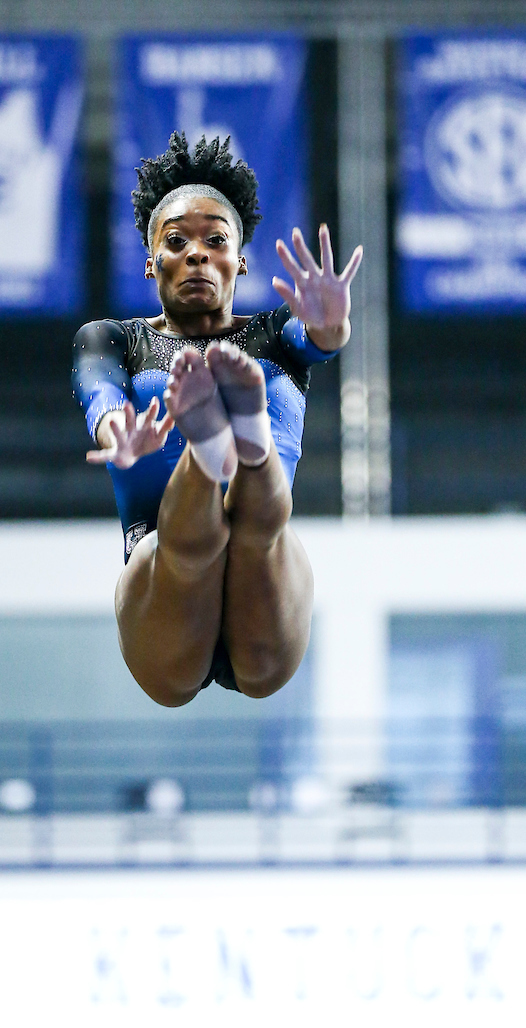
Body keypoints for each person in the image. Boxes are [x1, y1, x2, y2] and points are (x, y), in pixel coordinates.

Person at [73, 131, 362, 707]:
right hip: (160, 564)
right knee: (181, 552)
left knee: (256, 534)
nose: (197, 254)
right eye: (177, 241)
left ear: (240, 260)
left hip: (265, 558)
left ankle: (236, 444)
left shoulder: (277, 333)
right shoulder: (112, 339)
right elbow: (97, 388)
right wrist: (116, 430)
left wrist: (332, 322)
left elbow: (318, 339)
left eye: (215, 240)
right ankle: (215, 448)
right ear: (152, 264)